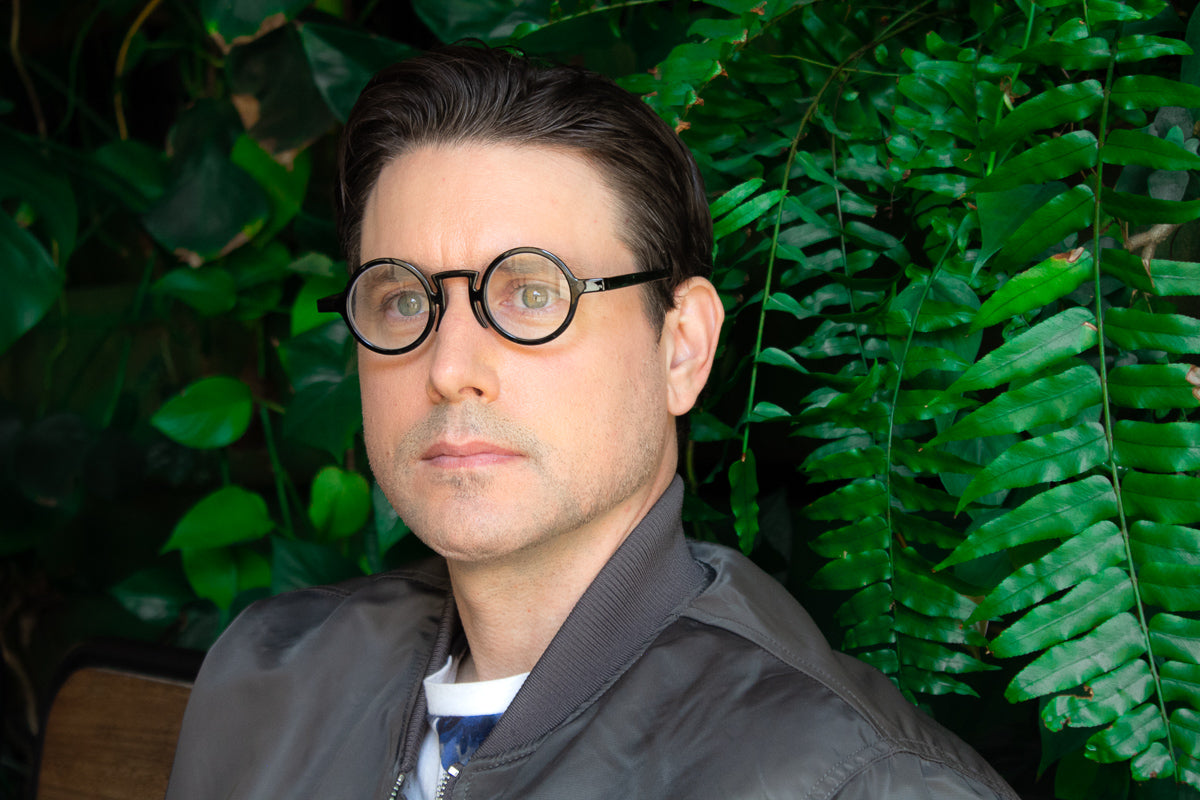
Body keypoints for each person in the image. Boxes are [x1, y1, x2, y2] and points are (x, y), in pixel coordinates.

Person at [165, 44, 1018, 800]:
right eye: (404, 300)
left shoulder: (860, 783)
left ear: (681, 347)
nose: (449, 368)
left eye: (533, 294)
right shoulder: (269, 681)